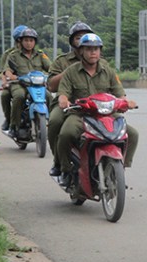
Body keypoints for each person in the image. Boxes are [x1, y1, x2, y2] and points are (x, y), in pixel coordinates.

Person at [56, 33, 137, 186]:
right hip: (81, 115)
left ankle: (120, 170)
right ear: (81, 51)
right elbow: (63, 92)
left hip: (106, 115)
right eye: (88, 49)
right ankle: (65, 169)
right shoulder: (71, 72)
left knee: (132, 134)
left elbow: (120, 93)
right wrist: (63, 99)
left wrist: (127, 102)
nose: (93, 52)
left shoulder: (108, 71)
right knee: (65, 134)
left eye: (96, 49)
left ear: (100, 51)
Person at [46, 21, 94, 177]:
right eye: (78, 38)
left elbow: (115, 85)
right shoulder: (62, 61)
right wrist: (71, 70)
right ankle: (59, 162)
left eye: (86, 37)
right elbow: (51, 86)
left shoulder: (98, 60)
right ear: (72, 41)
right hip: (66, 104)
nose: (82, 41)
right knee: (55, 122)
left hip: (94, 105)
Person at [3, 28, 51, 138]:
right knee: (19, 96)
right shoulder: (13, 55)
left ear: (35, 42)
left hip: (37, 84)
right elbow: (7, 70)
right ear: (21, 41)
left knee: (48, 96)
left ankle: (50, 123)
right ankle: (14, 126)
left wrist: (54, 74)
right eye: (26, 40)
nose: (29, 43)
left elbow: (51, 67)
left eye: (31, 40)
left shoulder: (40, 55)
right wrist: (11, 75)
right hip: (19, 84)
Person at [0, 25, 27, 131]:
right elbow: (3, 71)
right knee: (5, 95)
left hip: (32, 83)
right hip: (14, 83)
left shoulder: (37, 53)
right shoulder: (9, 54)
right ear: (18, 40)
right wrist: (5, 82)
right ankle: (10, 119)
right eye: (23, 39)